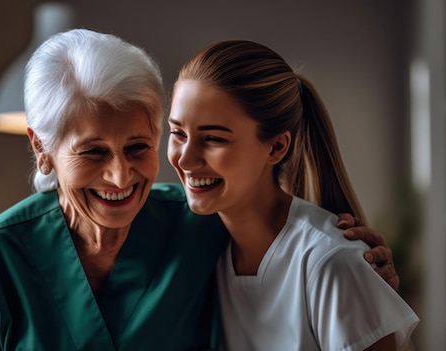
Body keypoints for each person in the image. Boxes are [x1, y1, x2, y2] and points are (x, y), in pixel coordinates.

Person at [0, 29, 400, 350]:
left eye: (138, 146)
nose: (120, 177)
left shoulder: (201, 222)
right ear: (42, 147)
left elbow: (289, 242)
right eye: (93, 152)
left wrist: (358, 263)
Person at [167, 39, 420, 350]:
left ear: (276, 147)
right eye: (177, 133)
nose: (185, 159)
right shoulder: (200, 248)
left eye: (214, 138)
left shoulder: (331, 262)